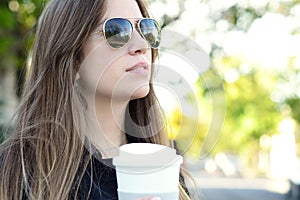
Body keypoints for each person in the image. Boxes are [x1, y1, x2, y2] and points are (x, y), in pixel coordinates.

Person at [0, 0, 191, 199]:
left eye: (146, 29)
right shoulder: (15, 173)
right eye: (116, 31)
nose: (142, 45)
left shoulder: (163, 167)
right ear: (73, 60)